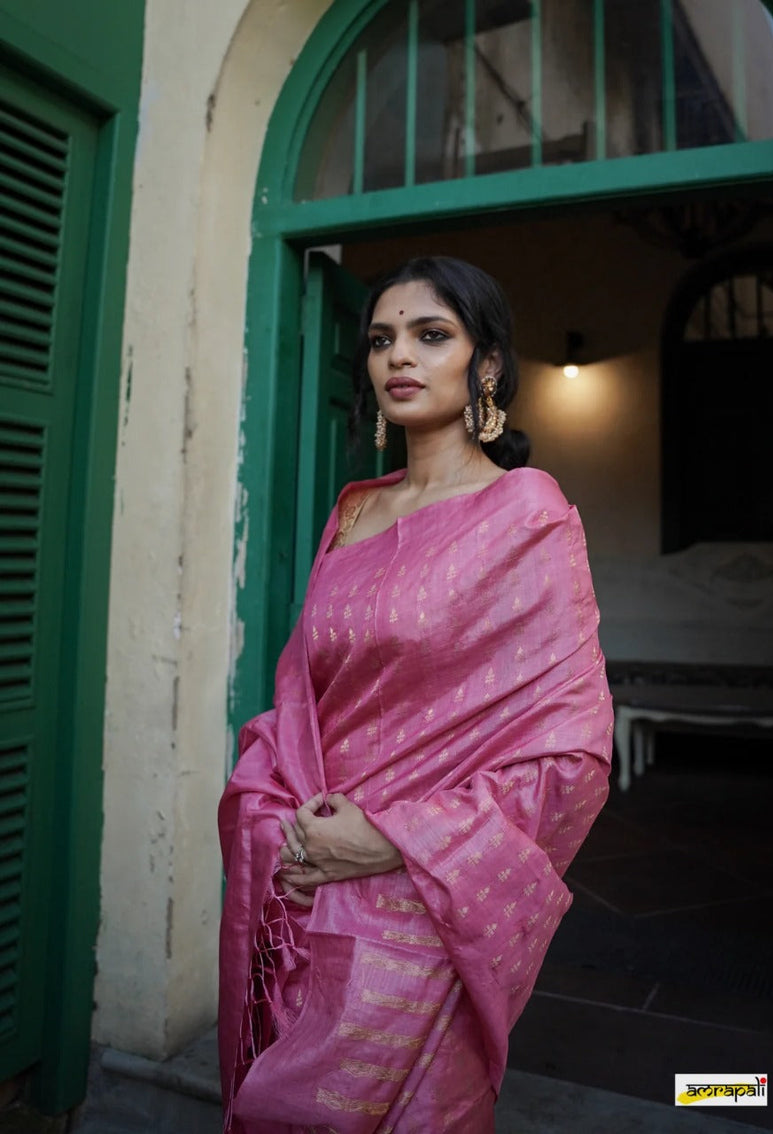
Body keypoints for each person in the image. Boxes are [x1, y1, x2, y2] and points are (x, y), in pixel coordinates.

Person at [218, 256, 613, 1133]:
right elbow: (299, 700)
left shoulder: (527, 514)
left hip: (422, 903)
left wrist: (391, 842)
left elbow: (573, 754)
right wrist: (278, 820)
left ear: (487, 366)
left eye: (432, 335)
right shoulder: (353, 511)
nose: (400, 356)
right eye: (382, 340)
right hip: (302, 878)